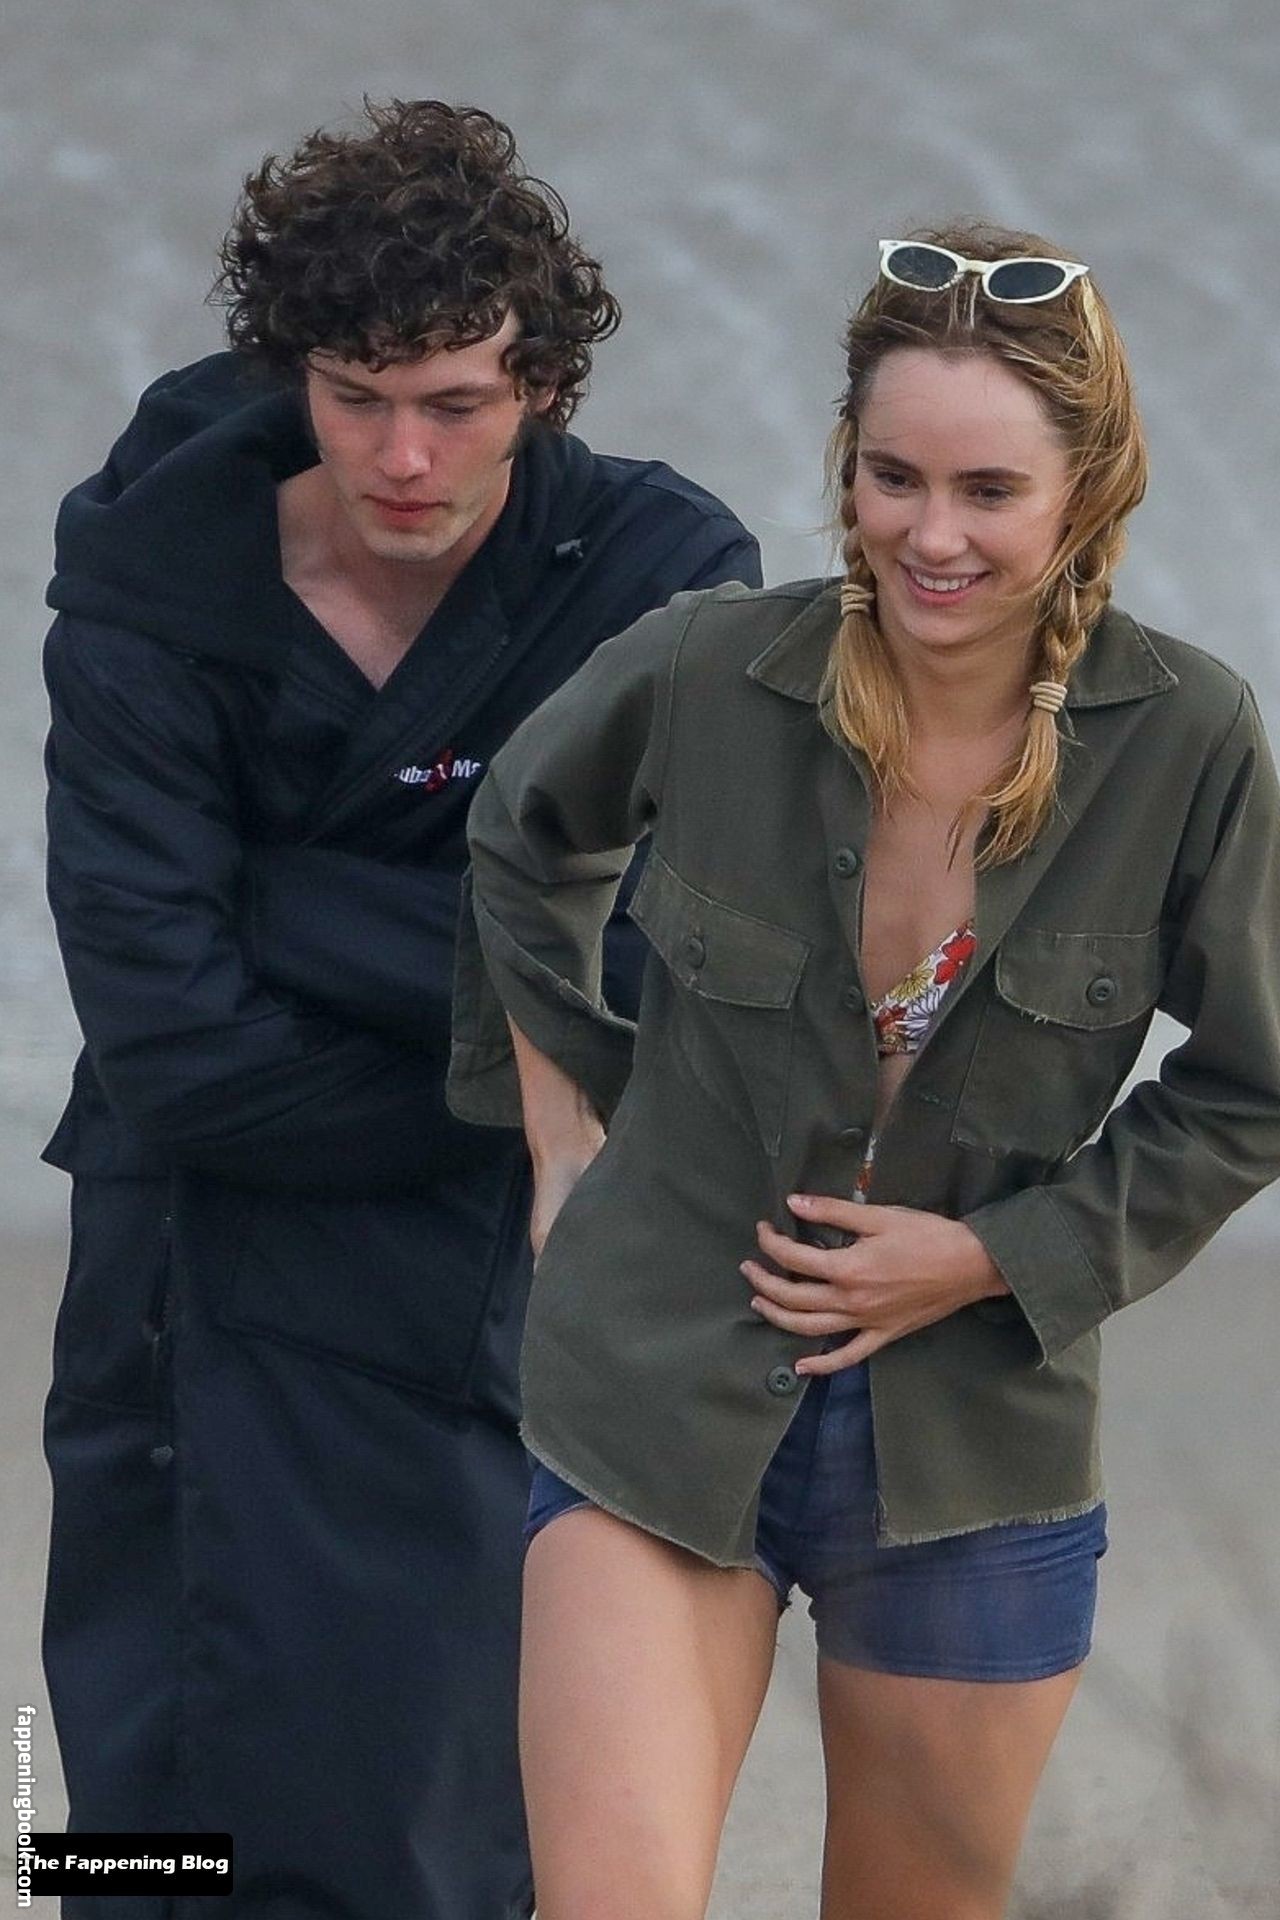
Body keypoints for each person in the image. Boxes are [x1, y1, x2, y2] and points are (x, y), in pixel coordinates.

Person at [449, 223, 1280, 1919]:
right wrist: (561, 1124)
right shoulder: (706, 670)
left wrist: (994, 1256)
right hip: (656, 1380)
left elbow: (1258, 1080)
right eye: (893, 476)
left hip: (973, 1442)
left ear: (1085, 492)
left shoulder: (1190, 743)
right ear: (847, 463)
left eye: (989, 490)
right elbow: (521, 839)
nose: (931, 534)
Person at [40, 97, 760, 1920]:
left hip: (495, 1286)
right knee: (138, 1814)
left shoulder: (664, 586)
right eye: (356, 398)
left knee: (434, 1830)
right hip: (178, 1278)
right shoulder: (150, 577)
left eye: (455, 401)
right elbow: (176, 1056)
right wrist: (512, 1040)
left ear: (545, 385)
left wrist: (280, 909)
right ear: (291, 370)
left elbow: (654, 989)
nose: (405, 456)